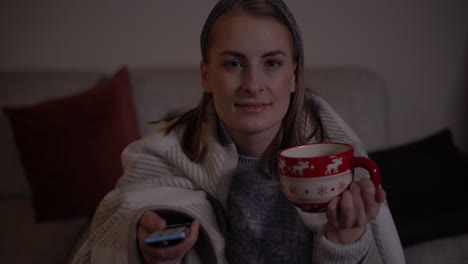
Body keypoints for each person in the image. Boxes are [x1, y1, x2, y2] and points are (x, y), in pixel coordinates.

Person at [73, 0, 405, 263]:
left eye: (272, 63)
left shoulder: (336, 163)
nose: (252, 85)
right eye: (233, 63)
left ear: (293, 75)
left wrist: (344, 242)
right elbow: (113, 226)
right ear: (205, 75)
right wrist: (146, 249)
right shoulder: (164, 156)